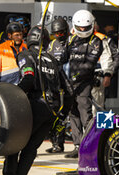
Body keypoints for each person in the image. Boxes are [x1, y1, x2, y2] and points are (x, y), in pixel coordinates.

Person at [0, 25, 72, 175]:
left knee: (13, 143)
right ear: (47, 42)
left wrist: (11, 98)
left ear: (30, 40)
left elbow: (28, 79)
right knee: (30, 150)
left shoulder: (26, 55)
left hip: (33, 107)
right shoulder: (54, 61)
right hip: (51, 112)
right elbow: (70, 92)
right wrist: (61, 118)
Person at [64, 10, 106, 159]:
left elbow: (89, 64)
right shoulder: (71, 40)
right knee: (72, 112)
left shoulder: (96, 42)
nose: (82, 30)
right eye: (79, 28)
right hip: (70, 82)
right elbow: (63, 57)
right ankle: (77, 144)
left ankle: (89, 145)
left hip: (84, 82)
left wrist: (75, 77)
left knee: (85, 112)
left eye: (84, 28)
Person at [46, 17, 70, 153]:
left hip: (70, 84)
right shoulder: (52, 44)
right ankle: (57, 143)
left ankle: (74, 144)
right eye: (56, 34)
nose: (58, 36)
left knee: (67, 115)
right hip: (56, 83)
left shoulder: (71, 42)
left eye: (61, 33)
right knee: (55, 113)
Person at [91, 22, 119, 114]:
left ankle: (99, 128)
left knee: (96, 108)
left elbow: (117, 56)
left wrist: (108, 74)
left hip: (98, 77)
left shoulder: (103, 39)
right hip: (79, 78)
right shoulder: (75, 38)